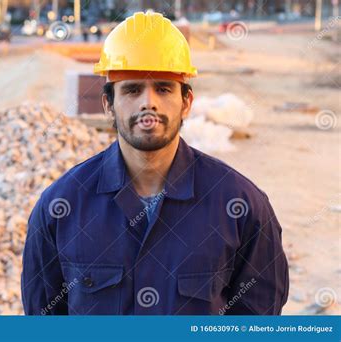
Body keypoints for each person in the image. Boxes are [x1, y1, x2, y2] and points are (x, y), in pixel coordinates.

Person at [21, 11, 289, 315]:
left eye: (163, 88)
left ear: (186, 101)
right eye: (132, 89)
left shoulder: (240, 206)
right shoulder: (61, 207)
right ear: (108, 103)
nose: (148, 102)